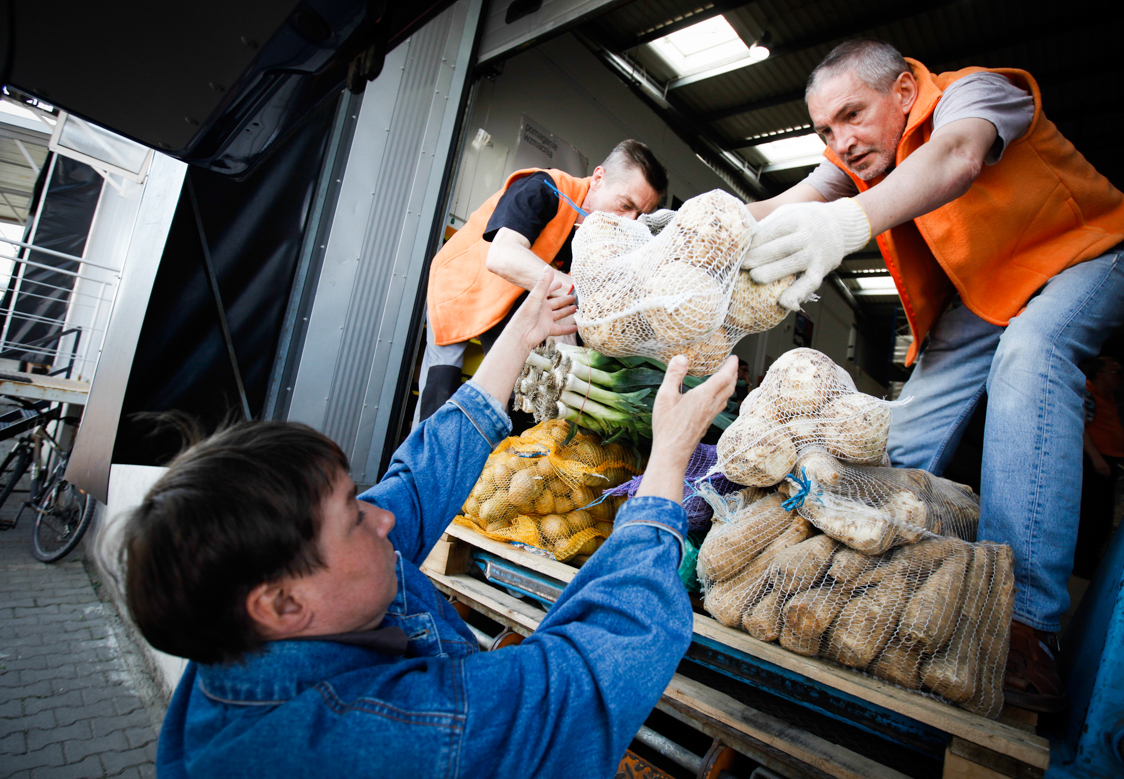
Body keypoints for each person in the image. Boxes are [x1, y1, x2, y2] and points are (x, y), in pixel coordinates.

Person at [124, 266, 738, 778]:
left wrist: (524, 332)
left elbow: (416, 485)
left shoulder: (281, 619)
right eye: (353, 518)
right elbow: (586, 678)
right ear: (281, 604)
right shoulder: (364, 743)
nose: (382, 520)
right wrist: (667, 463)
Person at [742, 39, 1124, 711]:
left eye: (851, 115)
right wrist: (701, 225)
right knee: (900, 430)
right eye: (824, 131)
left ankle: (1026, 625)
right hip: (992, 290)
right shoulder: (860, 154)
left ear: (903, 92)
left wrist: (847, 222)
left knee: (1031, 356)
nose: (841, 142)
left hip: (1090, 254)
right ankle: (845, 560)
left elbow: (956, 154)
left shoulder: (978, 93)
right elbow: (796, 199)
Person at [419, 139, 668, 421]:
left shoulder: (605, 236)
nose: (629, 221)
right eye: (625, 205)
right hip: (464, 284)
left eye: (640, 215)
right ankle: (420, 462)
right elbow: (502, 256)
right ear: (599, 178)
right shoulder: (544, 188)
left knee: (513, 389)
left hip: (513, 296)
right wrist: (576, 292)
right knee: (439, 390)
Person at [1075, 357, 1124, 578]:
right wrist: (1097, 459)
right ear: (1100, 374)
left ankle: (1089, 562)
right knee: (1093, 516)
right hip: (1094, 463)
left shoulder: (1108, 398)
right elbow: (1081, 429)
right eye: (1116, 373)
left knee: (1102, 517)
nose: (1120, 378)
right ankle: (1082, 566)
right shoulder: (1088, 394)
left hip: (1105, 462)